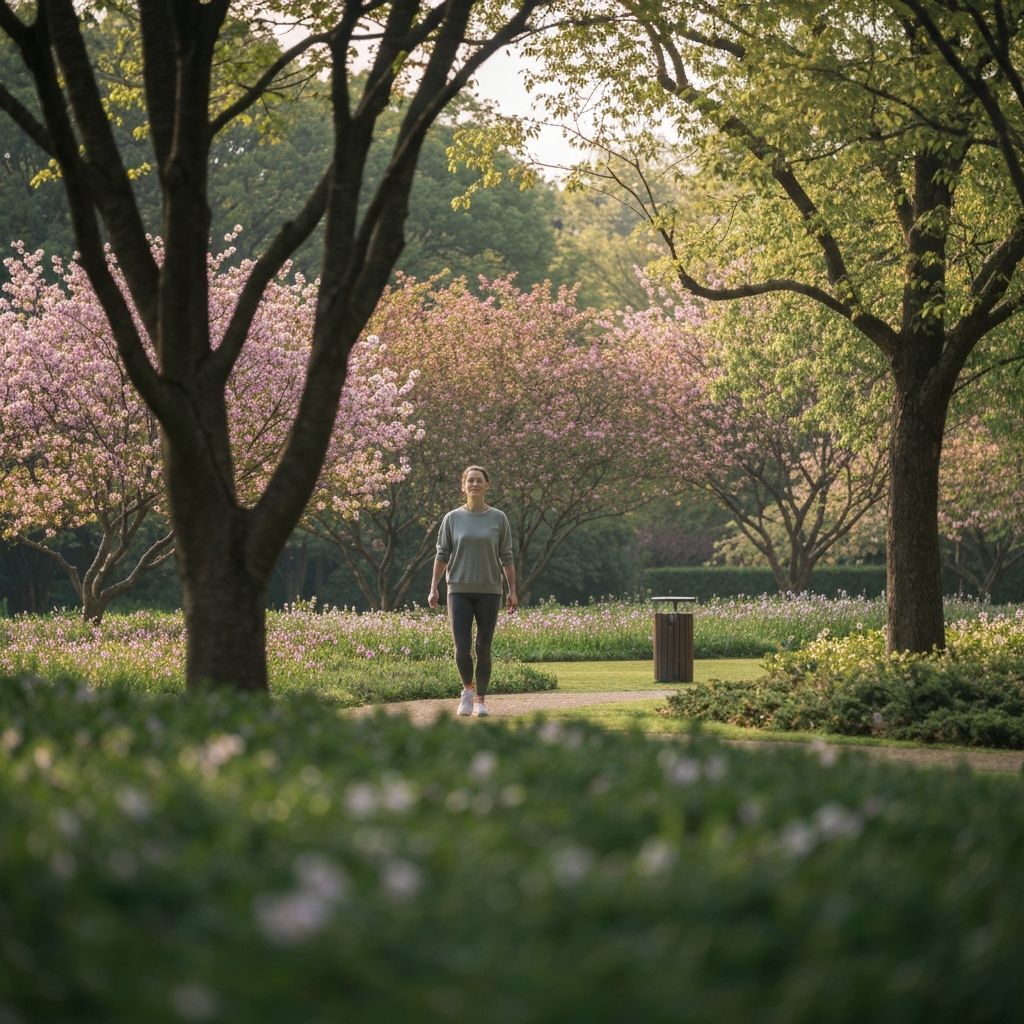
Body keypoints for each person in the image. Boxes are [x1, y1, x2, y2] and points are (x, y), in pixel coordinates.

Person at [429, 465, 518, 717]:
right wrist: (434, 587)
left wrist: (512, 591)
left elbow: (507, 557)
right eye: (470, 481)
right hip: (458, 589)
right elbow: (441, 554)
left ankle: (480, 700)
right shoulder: (452, 518)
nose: (475, 484)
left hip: (490, 590)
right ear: (463, 486)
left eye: (479, 481)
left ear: (487, 485)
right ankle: (467, 691)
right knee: (461, 646)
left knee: (483, 646)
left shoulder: (499, 518)